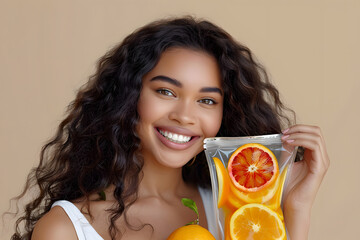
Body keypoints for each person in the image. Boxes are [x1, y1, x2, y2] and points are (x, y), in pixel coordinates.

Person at [11, 16, 329, 240]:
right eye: (166, 92)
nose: (185, 116)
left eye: (207, 101)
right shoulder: (67, 229)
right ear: (129, 95)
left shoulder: (234, 211)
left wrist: (296, 208)